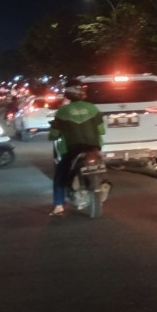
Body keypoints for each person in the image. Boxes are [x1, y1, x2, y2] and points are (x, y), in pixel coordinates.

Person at [47, 79, 106, 216]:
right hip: (94, 149)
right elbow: (102, 131)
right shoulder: (92, 108)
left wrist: (55, 134)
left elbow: (54, 134)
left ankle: (58, 206)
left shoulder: (62, 112)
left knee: (60, 176)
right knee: (101, 168)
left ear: (68, 94)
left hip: (73, 150)